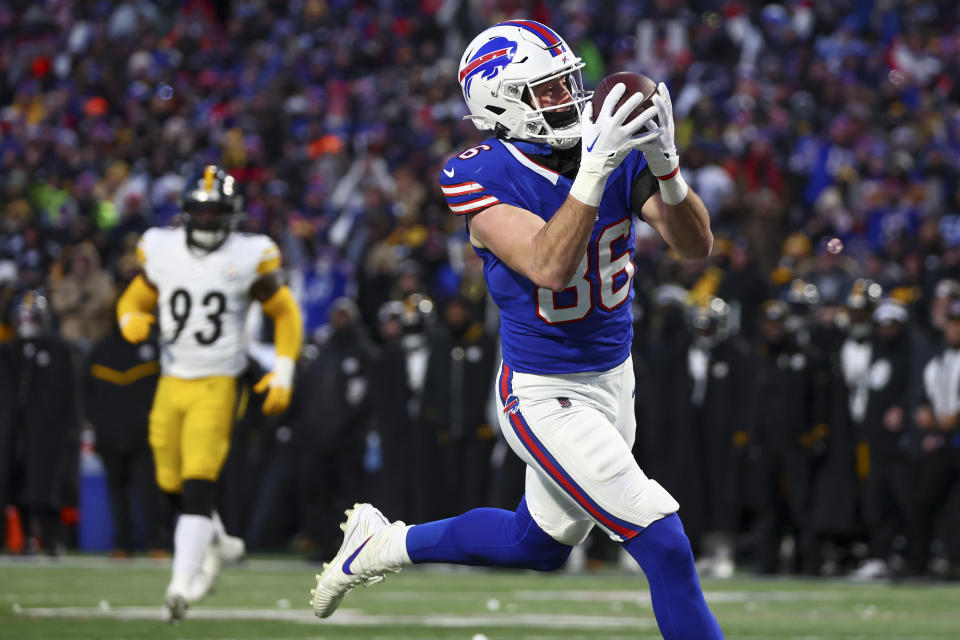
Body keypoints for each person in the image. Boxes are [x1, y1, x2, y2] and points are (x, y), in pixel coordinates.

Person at [309, 21, 723, 639]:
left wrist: (667, 167)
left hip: (615, 377)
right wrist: (597, 170)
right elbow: (550, 267)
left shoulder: (605, 147)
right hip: (544, 394)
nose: (570, 101)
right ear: (500, 103)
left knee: (539, 543)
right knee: (663, 541)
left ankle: (383, 544)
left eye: (568, 84)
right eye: (549, 91)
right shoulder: (478, 172)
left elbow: (696, 246)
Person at [116, 165, 303, 622]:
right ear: (185, 213)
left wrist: (282, 372)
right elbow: (133, 299)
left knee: (199, 481)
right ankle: (218, 542)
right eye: (199, 212)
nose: (205, 221)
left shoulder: (249, 253)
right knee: (169, 482)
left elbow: (286, 314)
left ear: (231, 214)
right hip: (171, 377)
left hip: (220, 380)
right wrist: (127, 318)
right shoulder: (161, 249)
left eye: (215, 212)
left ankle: (181, 585)